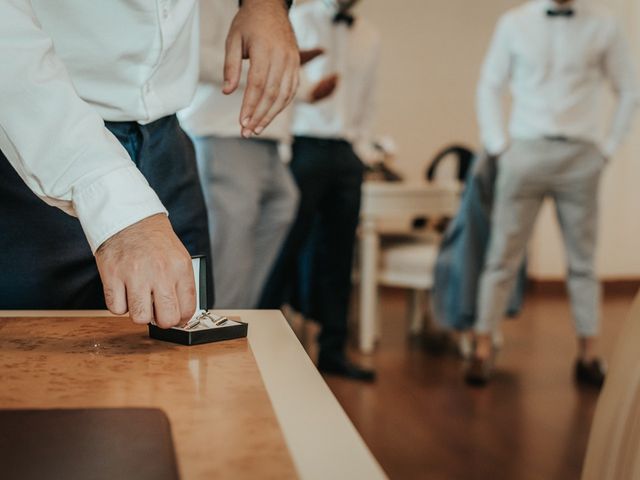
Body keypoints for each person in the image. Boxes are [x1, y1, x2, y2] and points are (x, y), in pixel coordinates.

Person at [0, 0, 299, 327]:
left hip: (167, 146)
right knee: (27, 356)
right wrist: (112, 203)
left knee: (188, 357)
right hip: (36, 146)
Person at [467, 0, 639, 386]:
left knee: (582, 261)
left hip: (581, 155)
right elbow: (490, 85)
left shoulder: (605, 26)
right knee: (502, 257)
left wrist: (607, 148)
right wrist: (499, 146)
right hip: (524, 152)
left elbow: (629, 88)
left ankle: (589, 354)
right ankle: (481, 348)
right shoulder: (513, 22)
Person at [180, 0, 339, 309]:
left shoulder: (274, 8)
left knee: (283, 207)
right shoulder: (207, 4)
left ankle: (241, 317)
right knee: (230, 247)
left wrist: (308, 90)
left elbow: (281, 71)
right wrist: (263, 61)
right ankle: (217, 331)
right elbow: (193, 57)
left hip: (269, 140)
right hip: (224, 134)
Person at [259, 0, 381, 382]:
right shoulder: (294, 17)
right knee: (284, 248)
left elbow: (368, 99)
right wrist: (284, 151)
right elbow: (279, 80)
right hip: (303, 148)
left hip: (346, 153)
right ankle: (261, 342)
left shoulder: (370, 35)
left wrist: (361, 149)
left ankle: (333, 350)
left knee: (340, 254)